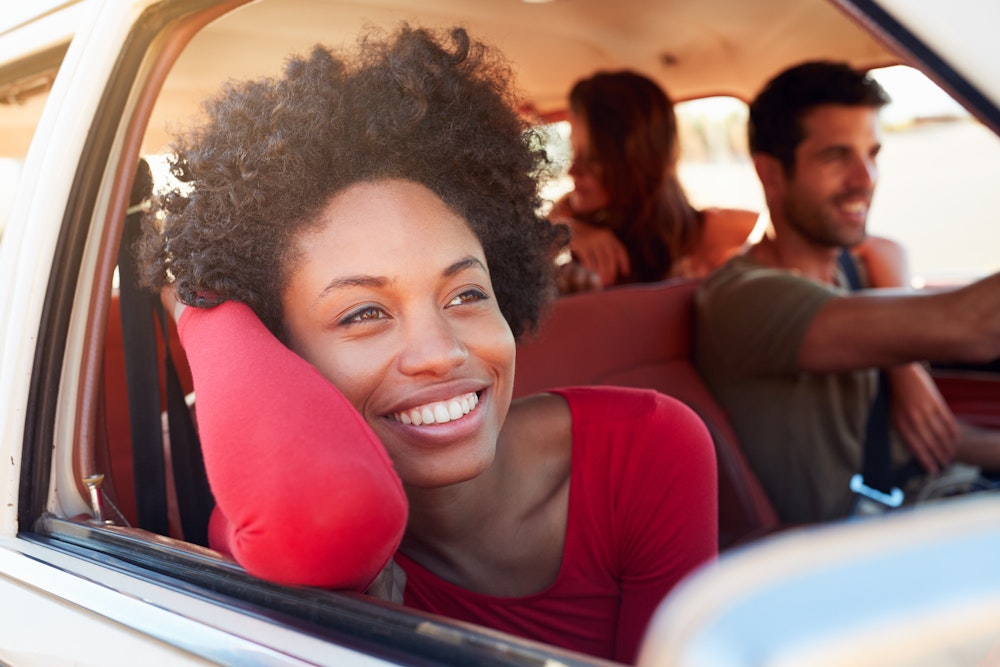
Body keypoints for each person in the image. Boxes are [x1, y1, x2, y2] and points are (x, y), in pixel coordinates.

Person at [138, 25, 718, 664]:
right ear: (280, 353)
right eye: (364, 313)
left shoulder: (649, 449)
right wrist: (203, 301)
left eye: (466, 295)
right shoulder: (275, 509)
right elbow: (316, 522)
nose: (440, 351)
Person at [694, 60, 1000, 525]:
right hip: (879, 541)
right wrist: (905, 356)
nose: (865, 178)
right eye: (836, 156)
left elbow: (933, 437)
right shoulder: (744, 299)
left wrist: (904, 362)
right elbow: (974, 326)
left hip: (942, 495)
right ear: (771, 174)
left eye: (872, 153)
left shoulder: (846, 272)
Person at [549, 69, 760, 292]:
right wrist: (565, 232)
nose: (571, 171)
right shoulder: (560, 220)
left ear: (640, 161)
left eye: (593, 158)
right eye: (573, 151)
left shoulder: (716, 235)